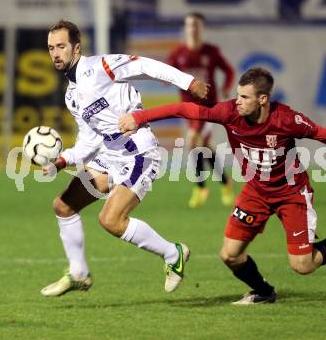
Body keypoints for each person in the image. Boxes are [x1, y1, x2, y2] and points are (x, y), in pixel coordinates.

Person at [119, 67, 326, 305]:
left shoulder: (287, 120)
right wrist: (141, 118)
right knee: (230, 255)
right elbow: (184, 109)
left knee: (303, 265)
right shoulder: (229, 113)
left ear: (263, 99)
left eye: (245, 97)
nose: (237, 102)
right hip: (255, 192)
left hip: (291, 194)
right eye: (238, 95)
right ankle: (263, 292)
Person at [40, 20, 208, 297]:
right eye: (50, 48)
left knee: (111, 220)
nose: (55, 53)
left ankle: (172, 253)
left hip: (139, 153)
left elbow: (143, 65)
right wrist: (60, 162)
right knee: (63, 206)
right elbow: (89, 141)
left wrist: (187, 82)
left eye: (61, 46)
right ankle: (79, 273)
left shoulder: (101, 66)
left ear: (77, 48)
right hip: (110, 155)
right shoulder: (72, 95)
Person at [167, 12, 235, 208]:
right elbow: (166, 73)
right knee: (203, 147)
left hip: (208, 108)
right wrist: (164, 79)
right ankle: (225, 182)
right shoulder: (178, 54)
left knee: (192, 141)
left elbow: (229, 71)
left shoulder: (211, 52)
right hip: (189, 109)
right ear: (185, 28)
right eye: (190, 25)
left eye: (196, 25)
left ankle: (200, 187)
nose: (193, 29)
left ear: (202, 28)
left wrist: (226, 87)